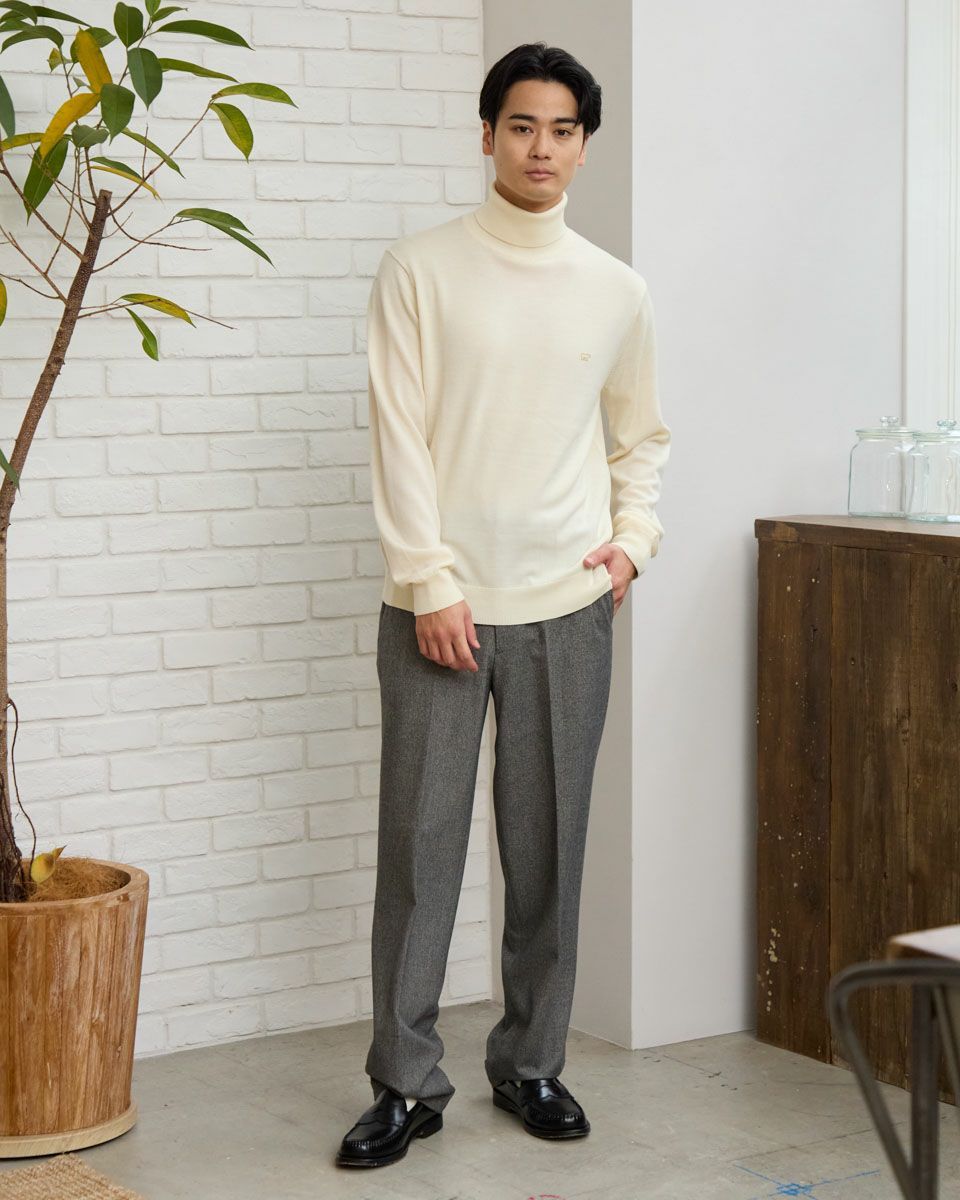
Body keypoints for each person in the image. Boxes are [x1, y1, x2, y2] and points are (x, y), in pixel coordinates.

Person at [335, 40, 671, 1170]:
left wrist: (633, 547)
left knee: (549, 852)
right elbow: (398, 434)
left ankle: (531, 1063)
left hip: (568, 608)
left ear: (585, 144)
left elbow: (641, 438)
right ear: (487, 135)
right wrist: (431, 580)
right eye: (522, 126)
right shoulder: (419, 269)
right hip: (439, 608)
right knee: (420, 851)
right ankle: (404, 1082)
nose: (541, 148)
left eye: (563, 130)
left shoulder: (617, 289)